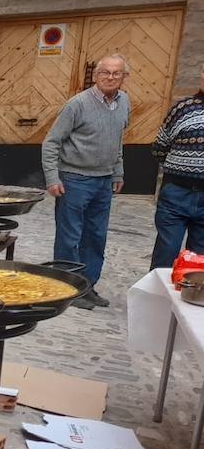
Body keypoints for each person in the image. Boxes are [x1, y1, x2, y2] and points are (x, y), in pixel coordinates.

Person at [42, 54, 130, 309]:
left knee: (96, 236)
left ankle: (87, 286)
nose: (111, 77)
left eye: (117, 73)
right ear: (96, 75)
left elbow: (117, 141)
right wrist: (52, 178)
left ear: (124, 77)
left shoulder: (124, 102)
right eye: (106, 72)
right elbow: (51, 142)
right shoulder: (77, 104)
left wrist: (118, 172)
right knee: (70, 237)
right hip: (75, 179)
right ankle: (66, 287)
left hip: (103, 181)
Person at [150, 65, 204, 270]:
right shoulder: (182, 109)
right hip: (177, 194)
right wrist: (184, 168)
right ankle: (156, 300)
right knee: (166, 251)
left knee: (198, 262)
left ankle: (189, 299)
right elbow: (159, 148)